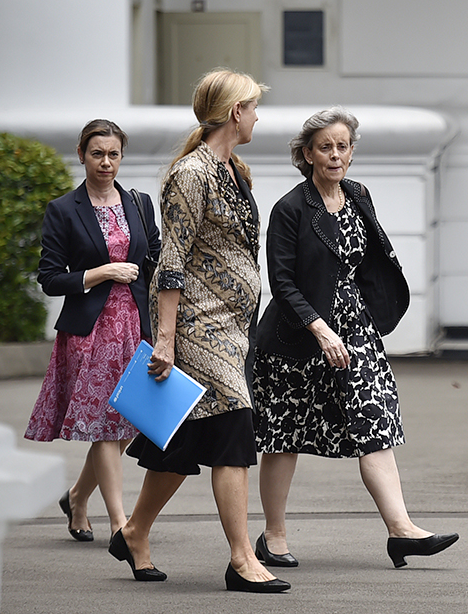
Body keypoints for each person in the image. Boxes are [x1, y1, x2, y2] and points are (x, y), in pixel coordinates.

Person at [252, 106, 458, 570]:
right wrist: (320, 328)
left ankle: (401, 530)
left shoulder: (358, 194)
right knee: (285, 436)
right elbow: (282, 284)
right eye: (325, 147)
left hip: (357, 332)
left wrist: (373, 307)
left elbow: (370, 259)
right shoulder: (290, 208)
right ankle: (274, 536)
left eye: (343, 146)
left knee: (375, 422)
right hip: (298, 340)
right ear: (306, 154)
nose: (335, 155)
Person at [109, 68, 290, 593]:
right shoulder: (192, 174)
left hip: (235, 330)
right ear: (236, 112)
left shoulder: (236, 169)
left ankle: (134, 530)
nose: (257, 115)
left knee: (185, 436)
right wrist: (164, 339)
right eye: (253, 107)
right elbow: (171, 262)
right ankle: (240, 559)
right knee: (235, 422)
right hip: (195, 326)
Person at [26, 119, 159, 543]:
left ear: (122, 157)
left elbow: (154, 260)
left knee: (127, 422)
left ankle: (78, 496)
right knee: (106, 423)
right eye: (97, 153)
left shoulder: (138, 203)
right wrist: (101, 272)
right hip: (90, 331)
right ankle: (121, 523)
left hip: (135, 325)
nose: (106, 162)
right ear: (82, 154)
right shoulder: (64, 209)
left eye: (114, 154)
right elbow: (49, 278)